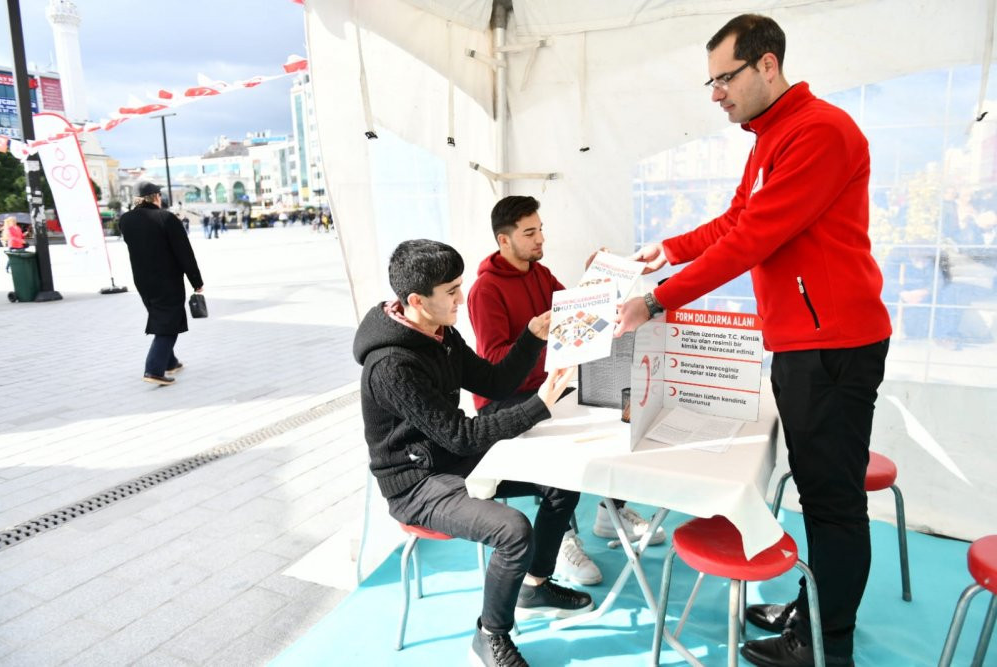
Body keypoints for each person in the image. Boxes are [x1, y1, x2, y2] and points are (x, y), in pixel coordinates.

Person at [615, 15, 891, 667]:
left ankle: (826, 644)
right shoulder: (772, 135)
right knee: (819, 493)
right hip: (804, 340)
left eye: (724, 78)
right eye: (710, 82)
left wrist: (657, 299)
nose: (715, 94)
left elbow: (752, 239)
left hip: (831, 344)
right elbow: (740, 217)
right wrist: (670, 249)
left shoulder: (819, 131)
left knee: (832, 503)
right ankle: (814, 610)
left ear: (767, 64)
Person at [354, 239, 592, 667]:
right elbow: (461, 436)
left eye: (459, 286)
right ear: (416, 300)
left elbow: (494, 383)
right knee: (513, 531)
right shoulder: (391, 365)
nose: (461, 298)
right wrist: (539, 406)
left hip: (451, 459)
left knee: (562, 480)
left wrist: (531, 338)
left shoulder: (439, 333)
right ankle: (489, 637)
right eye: (451, 291)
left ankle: (535, 586)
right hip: (414, 484)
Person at [468, 196, 664, 587]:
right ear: (504, 241)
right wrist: (547, 343)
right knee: (566, 462)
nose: (541, 239)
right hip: (505, 402)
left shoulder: (540, 274)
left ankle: (610, 511)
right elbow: (495, 367)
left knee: (616, 414)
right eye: (530, 233)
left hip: (550, 387)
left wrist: (597, 281)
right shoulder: (484, 291)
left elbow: (577, 311)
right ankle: (561, 542)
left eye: (540, 229)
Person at [119, 181, 204, 386]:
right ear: (156, 197)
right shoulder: (166, 218)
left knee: (162, 317)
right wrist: (196, 281)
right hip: (167, 280)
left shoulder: (126, 220)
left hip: (143, 281)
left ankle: (170, 362)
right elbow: (184, 253)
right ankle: (154, 370)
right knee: (169, 323)